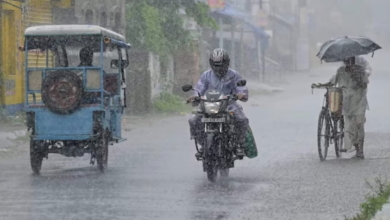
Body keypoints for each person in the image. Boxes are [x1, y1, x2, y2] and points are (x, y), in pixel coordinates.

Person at [188, 48, 249, 158]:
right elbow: (199, 88)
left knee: (242, 120)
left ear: (227, 63)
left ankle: (239, 144)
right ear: (211, 63)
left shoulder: (234, 75)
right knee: (194, 120)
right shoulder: (206, 75)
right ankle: (203, 144)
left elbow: (241, 88)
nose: (218, 67)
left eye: (221, 64)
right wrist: (195, 97)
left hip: (229, 104)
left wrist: (241, 94)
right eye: (216, 65)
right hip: (209, 104)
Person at [313, 57, 369, 159]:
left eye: (350, 60)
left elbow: (365, 85)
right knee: (349, 128)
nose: (348, 62)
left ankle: (360, 150)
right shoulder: (341, 70)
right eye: (346, 61)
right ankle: (357, 148)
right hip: (347, 103)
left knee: (359, 124)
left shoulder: (360, 69)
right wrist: (320, 85)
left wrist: (356, 77)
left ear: (353, 60)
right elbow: (333, 82)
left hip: (359, 101)